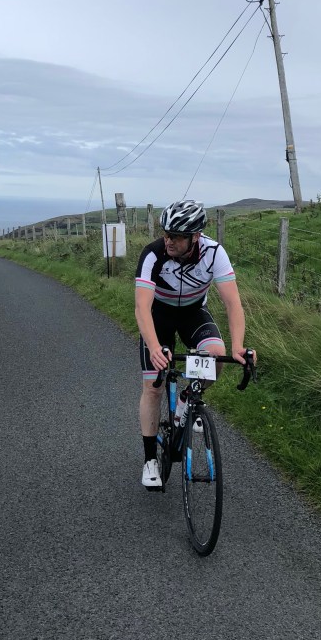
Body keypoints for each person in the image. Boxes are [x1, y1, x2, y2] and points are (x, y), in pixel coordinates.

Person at [134, 198, 254, 490]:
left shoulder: (214, 253)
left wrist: (238, 346)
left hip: (192, 313)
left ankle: (188, 398)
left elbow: (233, 303)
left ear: (196, 237)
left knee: (216, 355)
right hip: (158, 315)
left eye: (176, 236)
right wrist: (154, 347)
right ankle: (150, 460)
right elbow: (142, 307)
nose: (169, 240)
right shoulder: (153, 254)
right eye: (167, 233)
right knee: (153, 386)